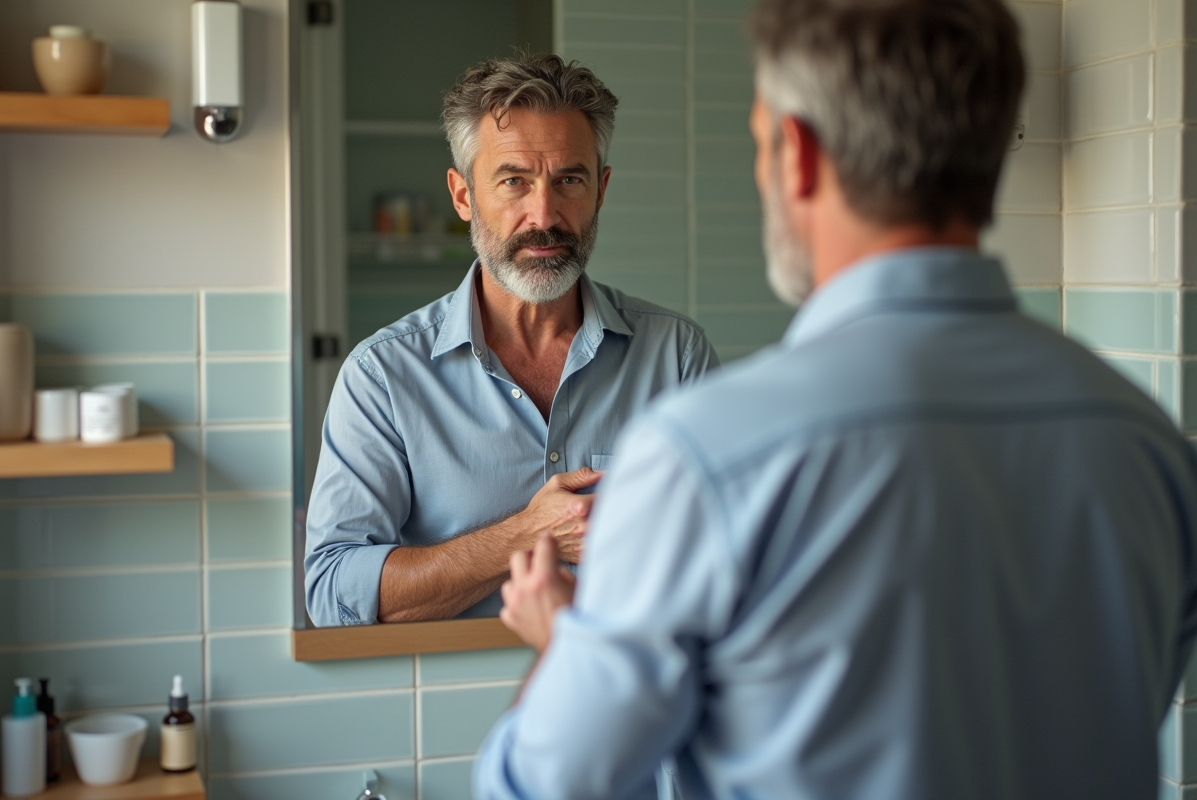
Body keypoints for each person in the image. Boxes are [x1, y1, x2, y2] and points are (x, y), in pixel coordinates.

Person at [475, 0, 1197, 798]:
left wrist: (569, 647)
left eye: (759, 145)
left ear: (799, 155)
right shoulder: (1150, 445)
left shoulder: (707, 457)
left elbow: (545, 787)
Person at [304, 54, 717, 627]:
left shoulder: (678, 358)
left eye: (569, 179)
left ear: (600, 190)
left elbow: (728, 556)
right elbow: (333, 595)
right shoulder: (382, 377)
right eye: (513, 181)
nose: (543, 214)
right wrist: (525, 536)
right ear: (463, 195)